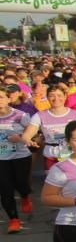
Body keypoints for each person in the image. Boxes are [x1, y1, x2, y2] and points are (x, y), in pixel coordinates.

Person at [23, 84, 76, 169]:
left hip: (72, 155)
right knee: (52, 181)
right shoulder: (39, 115)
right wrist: (28, 140)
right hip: (51, 156)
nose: (56, 99)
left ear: (65, 96)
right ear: (47, 97)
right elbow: (27, 134)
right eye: (52, 96)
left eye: (59, 95)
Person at [0, 86, 33, 234]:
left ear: (8, 99)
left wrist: (20, 138)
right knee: (5, 189)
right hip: (1, 159)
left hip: (20, 156)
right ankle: (14, 220)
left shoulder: (20, 115)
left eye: (1, 97)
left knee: (21, 182)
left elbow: (32, 133)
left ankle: (24, 195)